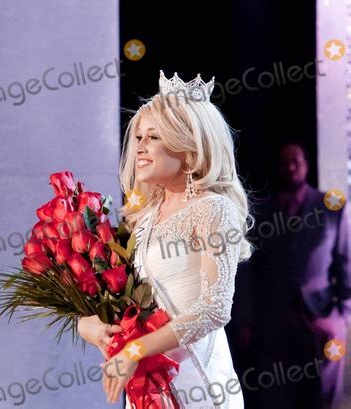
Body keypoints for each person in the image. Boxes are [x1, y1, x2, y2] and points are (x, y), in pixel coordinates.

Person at [78, 70, 254, 408]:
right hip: (149, 383)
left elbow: (215, 309)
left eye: (154, 137)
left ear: (188, 149)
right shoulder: (143, 218)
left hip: (198, 385)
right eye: (139, 137)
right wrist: (90, 324)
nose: (140, 147)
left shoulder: (212, 209)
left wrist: (136, 349)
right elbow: (123, 301)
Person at [251, 143, 351, 409]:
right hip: (272, 324)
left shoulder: (331, 207)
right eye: (284, 161)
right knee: (276, 398)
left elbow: (346, 265)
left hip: (321, 321)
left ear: (306, 164)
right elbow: (248, 273)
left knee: (325, 398)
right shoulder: (260, 212)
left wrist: (342, 315)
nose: (290, 167)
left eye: (296, 160)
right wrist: (245, 322)